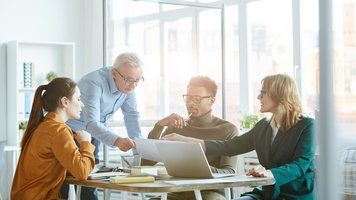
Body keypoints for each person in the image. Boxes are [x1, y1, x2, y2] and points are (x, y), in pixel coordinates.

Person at [163, 74, 315, 200]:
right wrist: (185, 140)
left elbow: (300, 165)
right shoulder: (264, 126)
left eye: (263, 93)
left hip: (295, 195)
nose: (258, 96)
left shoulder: (307, 126)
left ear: (279, 95)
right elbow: (229, 146)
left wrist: (271, 173)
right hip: (268, 193)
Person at [61, 52, 144, 199]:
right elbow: (92, 122)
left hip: (93, 133)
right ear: (114, 73)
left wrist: (140, 152)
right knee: (64, 182)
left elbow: (131, 116)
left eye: (138, 80)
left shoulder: (128, 86)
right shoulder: (94, 82)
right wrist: (118, 141)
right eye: (129, 80)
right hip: (69, 133)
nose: (133, 86)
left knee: (90, 180)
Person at [147, 76, 238, 200]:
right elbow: (147, 162)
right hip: (175, 192)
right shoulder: (176, 127)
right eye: (188, 97)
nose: (190, 103)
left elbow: (229, 172)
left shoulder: (228, 129)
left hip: (210, 193)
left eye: (197, 98)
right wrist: (159, 126)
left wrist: (197, 167)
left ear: (212, 100)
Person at [11, 78, 95, 200]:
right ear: (65, 102)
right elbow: (81, 172)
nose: (82, 104)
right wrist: (85, 143)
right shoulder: (58, 130)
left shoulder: (45, 125)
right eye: (78, 99)